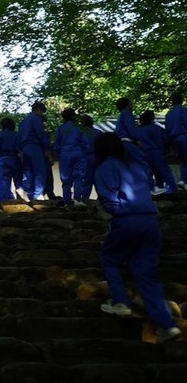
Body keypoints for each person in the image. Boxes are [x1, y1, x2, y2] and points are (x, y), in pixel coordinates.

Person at [93, 132, 181, 343]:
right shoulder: (136, 166)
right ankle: (167, 325)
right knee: (147, 275)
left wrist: (114, 213)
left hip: (127, 219)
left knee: (110, 258)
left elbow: (109, 199)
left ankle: (120, 301)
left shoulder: (106, 167)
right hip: (151, 221)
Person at [52, 108, 88, 206]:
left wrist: (57, 153)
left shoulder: (61, 128)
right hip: (78, 153)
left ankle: (67, 200)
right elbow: (86, 143)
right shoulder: (79, 128)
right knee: (78, 177)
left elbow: (56, 144)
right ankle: (77, 200)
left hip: (64, 154)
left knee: (66, 179)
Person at [18, 101, 53, 200]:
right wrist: (46, 148)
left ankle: (28, 193)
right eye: (42, 112)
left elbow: (19, 136)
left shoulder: (24, 121)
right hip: (35, 147)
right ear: (38, 110)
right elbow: (41, 135)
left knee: (28, 171)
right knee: (39, 171)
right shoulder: (36, 119)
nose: (42, 114)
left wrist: (20, 149)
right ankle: (38, 194)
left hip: (24, 148)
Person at [138, 110, 175, 195]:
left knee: (150, 173)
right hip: (156, 152)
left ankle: (155, 189)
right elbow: (165, 140)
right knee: (164, 172)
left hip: (143, 153)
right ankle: (173, 189)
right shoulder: (157, 128)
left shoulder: (138, 129)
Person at [0, 117, 23, 201]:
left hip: (2, 159)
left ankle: (3, 203)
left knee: (3, 184)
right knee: (19, 183)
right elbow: (20, 150)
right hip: (15, 159)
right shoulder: (16, 135)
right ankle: (22, 201)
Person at [165, 91, 187, 188]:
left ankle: (183, 179)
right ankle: (183, 180)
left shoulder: (169, 114)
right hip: (184, 136)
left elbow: (167, 129)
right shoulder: (183, 111)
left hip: (174, 139)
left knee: (182, 160)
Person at [79, 114, 101, 202]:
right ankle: (101, 199)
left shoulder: (79, 133)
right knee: (98, 180)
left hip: (84, 158)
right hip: (96, 158)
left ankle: (84, 200)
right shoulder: (98, 132)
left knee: (86, 181)